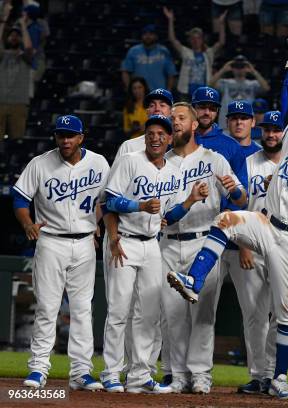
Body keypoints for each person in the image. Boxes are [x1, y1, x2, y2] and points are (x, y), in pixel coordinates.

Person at [167, 33, 288, 400]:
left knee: (286, 313)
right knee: (226, 220)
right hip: (267, 224)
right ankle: (194, 278)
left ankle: (279, 377)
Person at [100, 115, 207, 394]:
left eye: (162, 133)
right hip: (123, 240)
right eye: (151, 132)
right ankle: (111, 373)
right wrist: (137, 207)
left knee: (148, 314)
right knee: (119, 310)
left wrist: (190, 200)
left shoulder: (172, 171)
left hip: (151, 244)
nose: (156, 137)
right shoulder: (130, 160)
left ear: (170, 138)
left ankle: (140, 376)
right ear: (145, 136)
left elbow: (168, 215)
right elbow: (108, 201)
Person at [15, 115, 109, 391]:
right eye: (61, 135)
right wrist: (27, 223)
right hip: (51, 241)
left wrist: (95, 224)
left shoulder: (99, 163)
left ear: (81, 137)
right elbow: (21, 198)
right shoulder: (41, 163)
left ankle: (81, 372)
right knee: (47, 307)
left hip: (84, 244)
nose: (65, 140)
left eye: (71, 135)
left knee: (82, 310)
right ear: (55, 137)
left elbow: (107, 199)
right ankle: (38, 368)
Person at [160, 103, 246, 394]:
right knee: (172, 316)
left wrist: (233, 190)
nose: (176, 122)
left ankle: (200, 375)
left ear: (194, 125)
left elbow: (242, 199)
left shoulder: (214, 159)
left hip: (203, 243)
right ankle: (177, 375)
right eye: (172, 119)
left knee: (204, 314)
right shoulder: (161, 162)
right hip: (169, 242)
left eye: (181, 118)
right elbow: (162, 214)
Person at [234, 110, 285, 394]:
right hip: (253, 245)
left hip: (283, 246)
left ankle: (274, 373)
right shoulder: (250, 162)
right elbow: (240, 205)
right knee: (254, 315)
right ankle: (258, 375)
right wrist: (242, 244)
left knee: (282, 313)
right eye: (266, 129)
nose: (270, 134)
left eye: (276, 130)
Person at [191, 86, 248, 194]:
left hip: (219, 210)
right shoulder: (182, 141)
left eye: (212, 109)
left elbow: (243, 190)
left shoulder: (232, 146)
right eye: (202, 107)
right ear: (192, 108)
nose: (207, 112)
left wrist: (230, 209)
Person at [163, 7, 226, 100]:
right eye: (193, 38)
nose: (195, 40)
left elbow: (221, 42)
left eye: (198, 38)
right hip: (186, 92)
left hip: (204, 92)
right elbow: (172, 39)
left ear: (202, 39)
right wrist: (170, 20)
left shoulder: (208, 53)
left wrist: (221, 23)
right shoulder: (185, 52)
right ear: (189, 40)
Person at [211, 55, 271, 129]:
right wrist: (223, 69)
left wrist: (253, 71)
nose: (239, 69)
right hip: (226, 125)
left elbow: (266, 88)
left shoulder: (253, 84)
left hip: (246, 125)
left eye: (242, 66)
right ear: (232, 68)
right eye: (236, 66)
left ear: (246, 68)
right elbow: (210, 85)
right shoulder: (225, 82)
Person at [0, 7, 33, 140]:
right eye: (11, 35)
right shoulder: (2, 56)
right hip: (0, 102)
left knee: (17, 141)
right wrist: (3, 22)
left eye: (17, 35)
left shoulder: (25, 57)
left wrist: (23, 24)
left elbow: (29, 47)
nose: (13, 37)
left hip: (19, 103)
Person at [116, 88, 174, 156]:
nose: (157, 109)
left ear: (171, 112)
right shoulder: (129, 147)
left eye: (162, 105)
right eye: (152, 105)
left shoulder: (180, 146)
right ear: (147, 112)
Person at [120, 24, 177, 91]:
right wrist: (129, 88)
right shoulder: (133, 51)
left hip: (158, 92)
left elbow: (171, 73)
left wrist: (168, 90)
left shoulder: (164, 51)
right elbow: (125, 71)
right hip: (139, 93)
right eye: (145, 34)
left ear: (156, 36)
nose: (148, 36)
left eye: (151, 34)